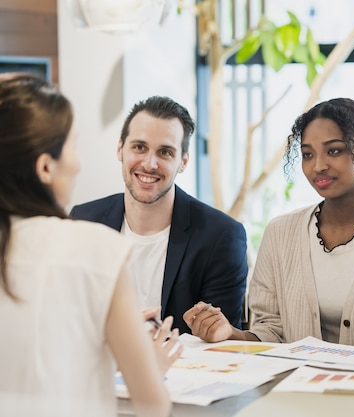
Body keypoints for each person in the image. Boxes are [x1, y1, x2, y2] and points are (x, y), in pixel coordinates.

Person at [184, 97, 354, 350]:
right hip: (291, 384)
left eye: (334, 150)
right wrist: (230, 334)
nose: (319, 166)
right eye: (307, 154)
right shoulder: (280, 233)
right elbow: (270, 330)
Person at [0, 73, 181, 417]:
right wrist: (150, 366)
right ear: (45, 167)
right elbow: (152, 406)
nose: (79, 162)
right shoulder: (95, 247)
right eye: (73, 144)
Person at [70, 96, 248, 335]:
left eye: (164, 152)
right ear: (120, 148)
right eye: (139, 147)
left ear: (183, 162)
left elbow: (223, 342)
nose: (149, 164)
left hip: (184, 369)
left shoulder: (221, 236)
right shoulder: (84, 221)